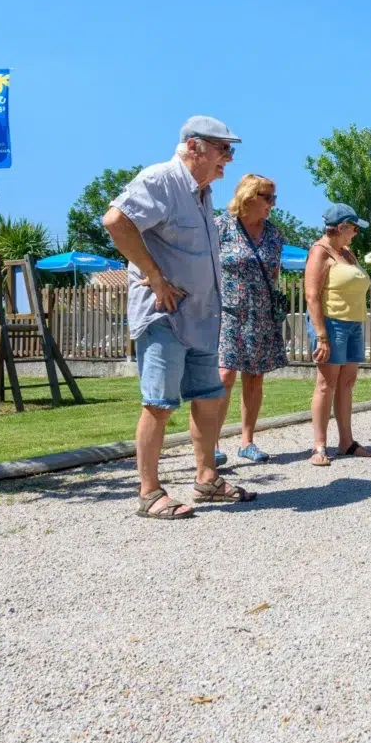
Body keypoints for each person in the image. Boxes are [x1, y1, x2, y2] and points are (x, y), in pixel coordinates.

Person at [102, 115, 256, 520]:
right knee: (160, 402)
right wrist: (155, 279)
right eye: (223, 149)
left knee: (208, 399)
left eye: (230, 150)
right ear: (194, 147)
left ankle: (207, 479)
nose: (229, 158)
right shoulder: (162, 180)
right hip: (164, 315)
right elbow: (116, 222)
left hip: (203, 316)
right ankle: (149, 493)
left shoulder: (201, 193)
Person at [212, 174, 288, 465]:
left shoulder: (274, 234)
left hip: (261, 314)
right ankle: (213, 444)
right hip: (227, 312)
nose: (272, 203)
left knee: (255, 377)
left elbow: (274, 274)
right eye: (267, 197)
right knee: (224, 376)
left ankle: (247, 441)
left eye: (274, 197)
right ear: (248, 197)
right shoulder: (221, 226)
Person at [303, 204, 371, 466]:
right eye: (354, 228)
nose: (356, 233)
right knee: (326, 384)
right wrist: (321, 335)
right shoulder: (320, 252)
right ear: (341, 227)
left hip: (354, 323)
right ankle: (319, 446)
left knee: (347, 383)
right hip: (332, 324)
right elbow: (311, 295)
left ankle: (346, 442)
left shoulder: (347, 252)